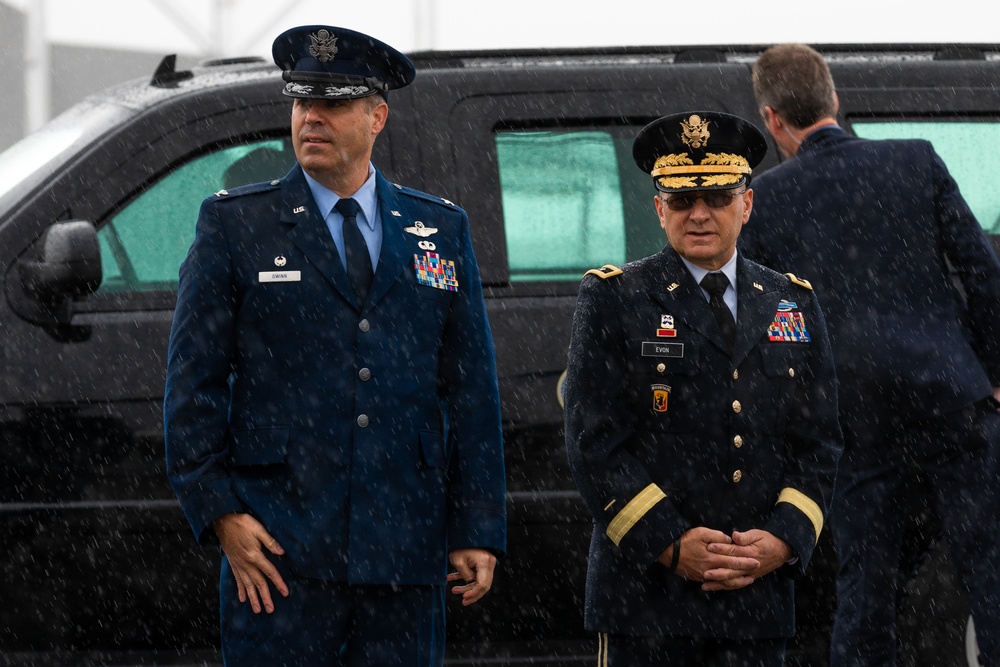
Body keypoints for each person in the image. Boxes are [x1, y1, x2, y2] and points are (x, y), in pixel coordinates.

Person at [163, 24, 506, 666]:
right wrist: (220, 515)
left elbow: (471, 391)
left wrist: (477, 526)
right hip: (281, 552)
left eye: (334, 104)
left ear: (377, 116)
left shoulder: (439, 228)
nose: (311, 118)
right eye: (301, 102)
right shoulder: (237, 225)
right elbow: (192, 386)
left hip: (404, 549)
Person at [744, 43, 1000, 666]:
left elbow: (767, 320)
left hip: (854, 416)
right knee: (991, 572)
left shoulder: (765, 199)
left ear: (773, 119)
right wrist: (991, 371)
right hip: (950, 393)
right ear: (835, 99)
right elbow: (984, 273)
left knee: (865, 588)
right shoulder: (915, 161)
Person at [563, 110, 843, 666]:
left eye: (716, 197)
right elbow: (593, 442)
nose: (699, 214)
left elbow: (820, 441)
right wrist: (671, 543)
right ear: (658, 208)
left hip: (756, 596)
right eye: (682, 199)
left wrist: (783, 540)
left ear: (747, 204)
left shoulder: (791, 301)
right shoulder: (616, 300)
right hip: (646, 597)